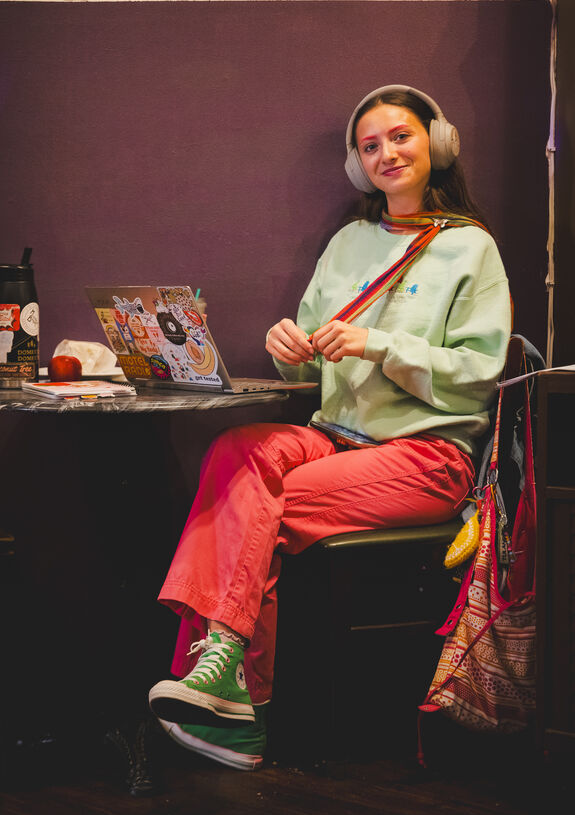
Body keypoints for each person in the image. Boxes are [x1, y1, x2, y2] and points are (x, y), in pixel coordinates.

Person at [147, 84, 512, 771]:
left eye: (400, 137)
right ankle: (223, 688)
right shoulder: (348, 242)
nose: (386, 154)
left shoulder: (472, 249)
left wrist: (379, 345)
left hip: (426, 455)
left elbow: (478, 374)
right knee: (235, 451)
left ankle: (232, 692)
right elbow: (314, 366)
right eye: (369, 146)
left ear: (436, 143)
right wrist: (289, 347)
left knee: (242, 511)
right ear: (357, 164)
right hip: (335, 436)